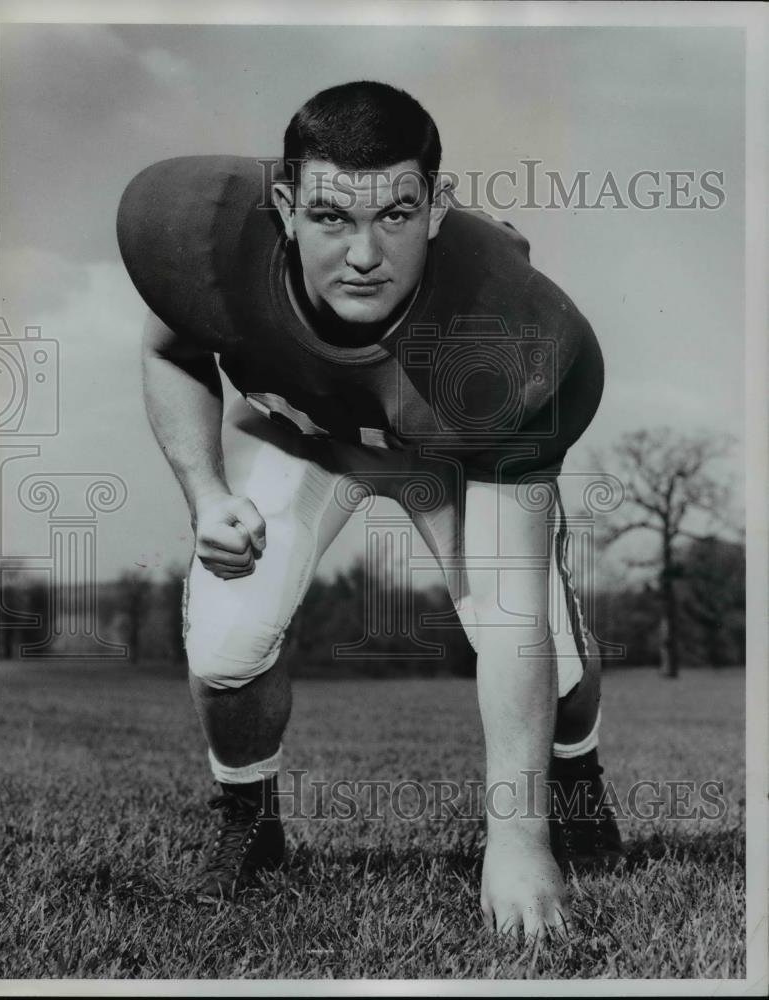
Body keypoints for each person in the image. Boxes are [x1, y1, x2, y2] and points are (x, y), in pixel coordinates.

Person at [117, 80, 623, 941]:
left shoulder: (507, 338)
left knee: (550, 654)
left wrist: (516, 840)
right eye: (329, 217)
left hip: (451, 452)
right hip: (304, 433)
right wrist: (205, 493)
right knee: (228, 642)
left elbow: (507, 624)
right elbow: (172, 345)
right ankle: (251, 818)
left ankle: (572, 776)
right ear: (284, 204)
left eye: (394, 214)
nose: (361, 254)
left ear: (435, 208)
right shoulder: (197, 227)